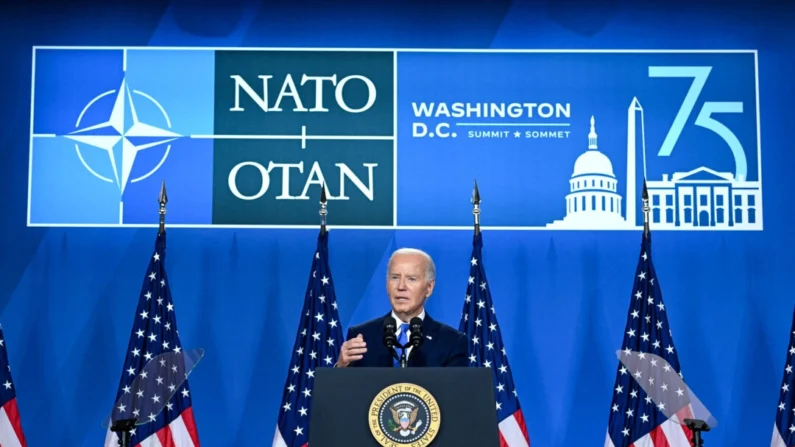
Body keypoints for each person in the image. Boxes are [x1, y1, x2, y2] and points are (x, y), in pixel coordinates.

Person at [336, 248, 468, 368]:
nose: (401, 287)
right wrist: (341, 367)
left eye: (411, 279)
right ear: (387, 283)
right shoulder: (362, 337)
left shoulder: (451, 342)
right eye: (395, 277)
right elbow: (344, 391)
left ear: (429, 287)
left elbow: (456, 392)